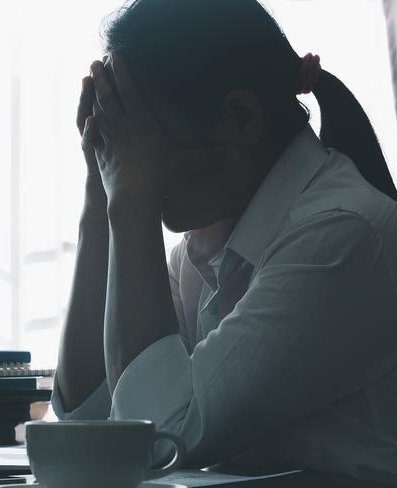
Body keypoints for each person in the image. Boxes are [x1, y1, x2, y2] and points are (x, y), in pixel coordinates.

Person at [50, 0, 397, 483]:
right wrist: (99, 202)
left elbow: (156, 440)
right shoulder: (198, 254)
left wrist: (130, 208)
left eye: (141, 137)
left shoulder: (340, 233)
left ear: (240, 119)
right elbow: (85, 428)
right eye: (116, 138)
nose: (127, 162)